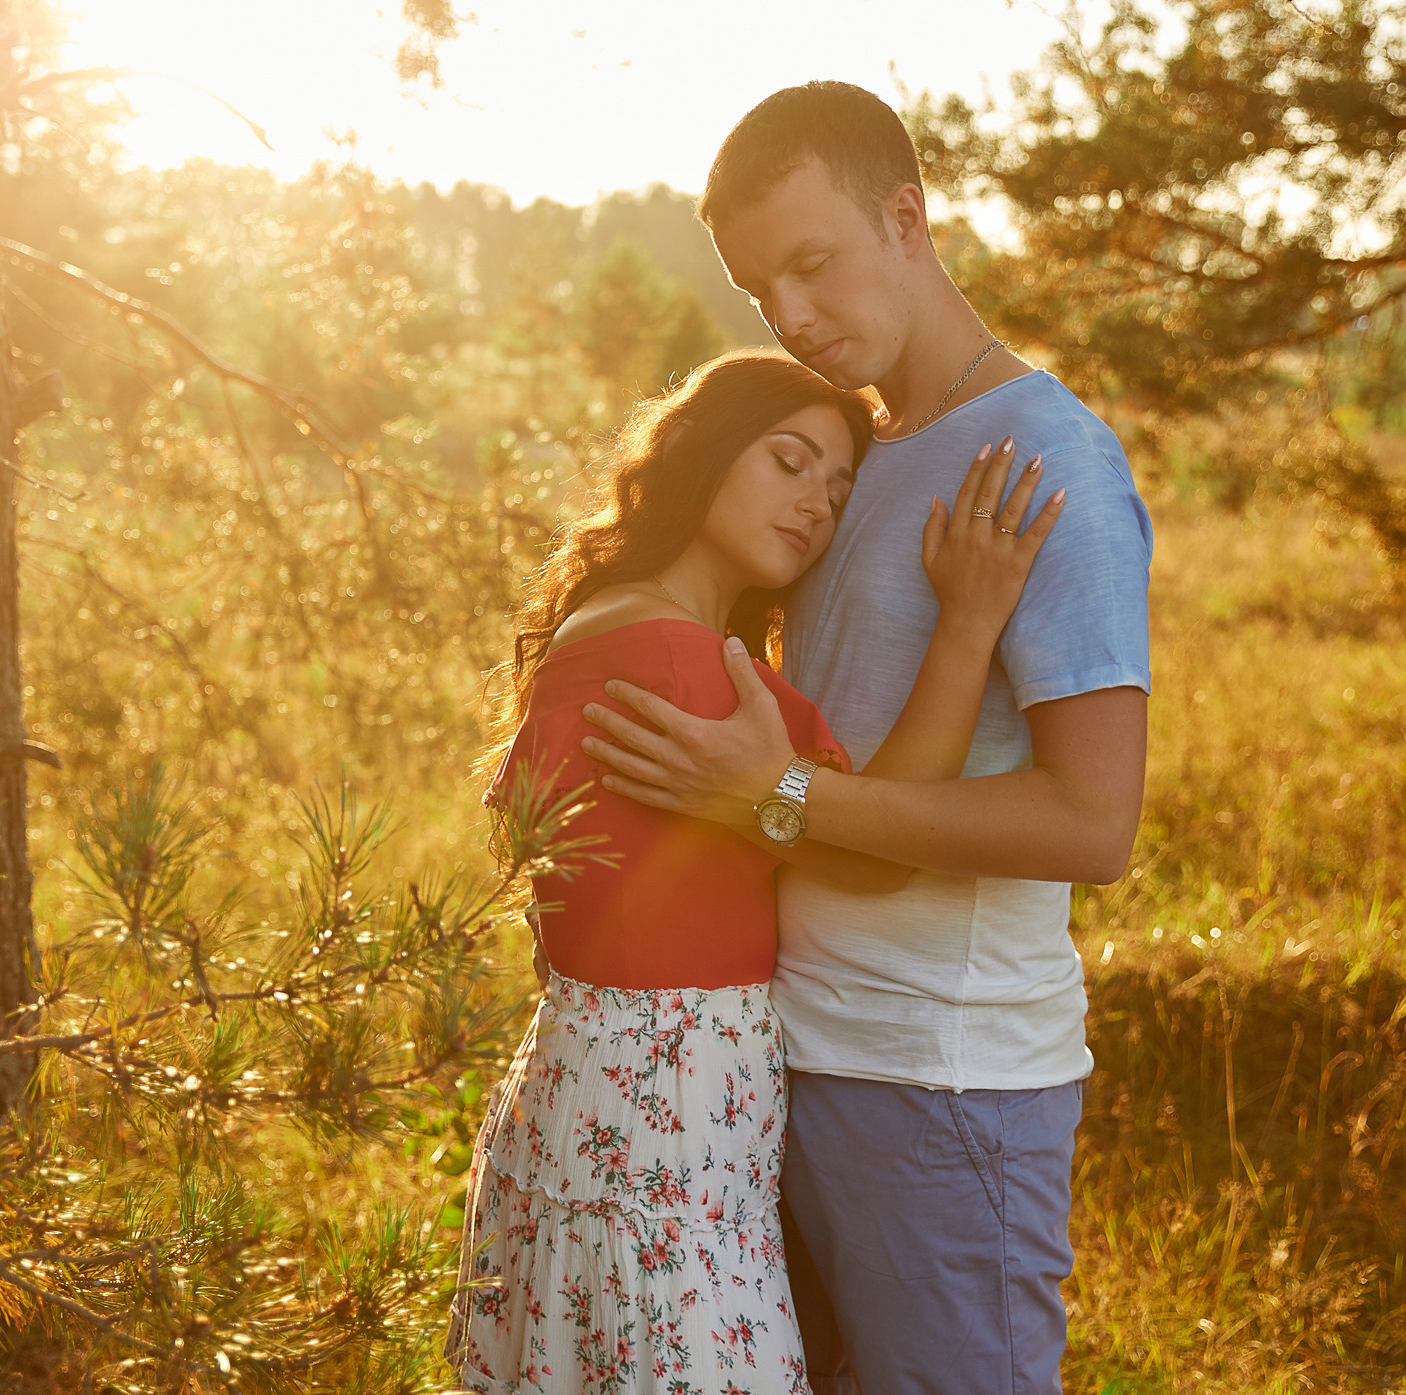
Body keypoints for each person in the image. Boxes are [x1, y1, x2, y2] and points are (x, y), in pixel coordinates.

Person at [578, 82, 1153, 1395]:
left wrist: (769, 793)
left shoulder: (1043, 455)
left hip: (942, 1085)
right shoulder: (850, 452)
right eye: (759, 286)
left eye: (813, 262)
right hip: (789, 1059)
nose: (789, 314)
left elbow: (1092, 822)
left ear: (909, 216)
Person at [449, 348, 1063, 1394]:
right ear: (698, 452)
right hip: (662, 1125)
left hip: (595, 1093)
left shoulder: (602, 629)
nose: (814, 506)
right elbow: (879, 846)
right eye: (789, 462)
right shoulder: (693, 668)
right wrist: (967, 621)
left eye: (834, 490)